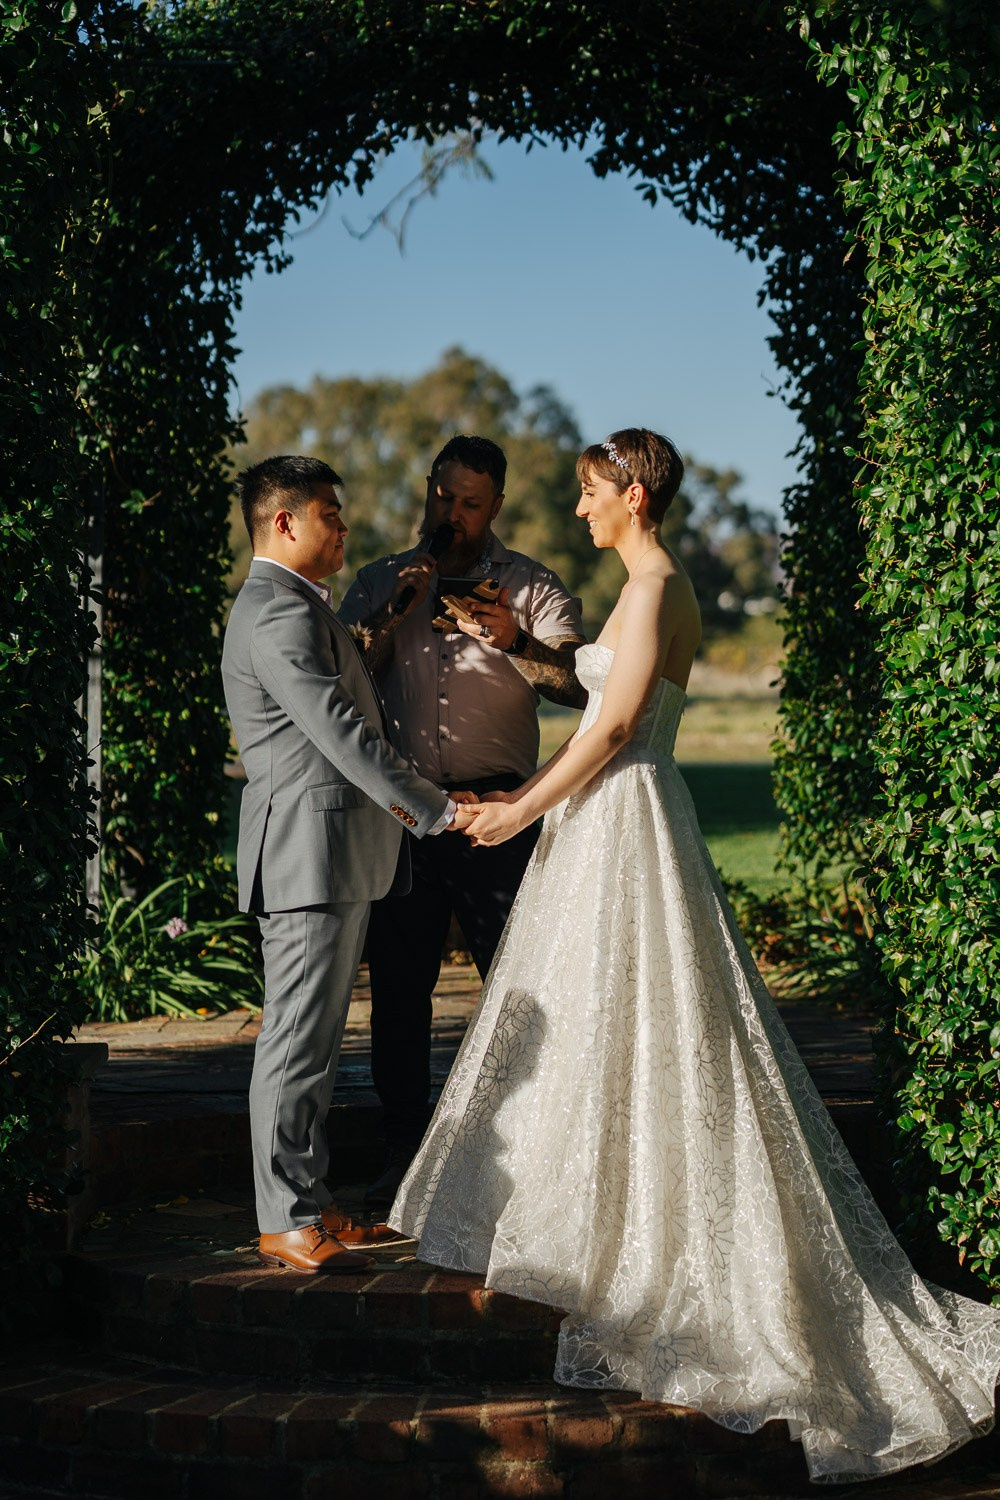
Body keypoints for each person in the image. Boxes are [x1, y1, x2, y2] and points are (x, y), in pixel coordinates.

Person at [390, 429, 1000, 1484]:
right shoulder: (645, 587)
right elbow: (598, 701)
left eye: (588, 495)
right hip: (620, 819)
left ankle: (658, 1244)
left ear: (632, 492)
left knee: (644, 1015)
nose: (579, 512)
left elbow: (617, 725)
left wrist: (519, 809)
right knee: (610, 1015)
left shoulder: (655, 584)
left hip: (620, 814)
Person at [222, 455, 477, 1274]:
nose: (344, 527)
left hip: (331, 855)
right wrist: (437, 811)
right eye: (330, 514)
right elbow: (343, 737)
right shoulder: (277, 613)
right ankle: (284, 1218)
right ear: (285, 522)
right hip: (306, 854)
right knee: (296, 1043)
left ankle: (311, 1199)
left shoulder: (298, 604)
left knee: (318, 1043)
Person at [338, 434, 586, 1206]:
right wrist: (394, 611)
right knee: (401, 989)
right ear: (427, 490)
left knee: (518, 988)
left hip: (502, 815)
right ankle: (403, 1150)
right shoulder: (381, 578)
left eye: (469, 504)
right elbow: (338, 679)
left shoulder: (534, 586)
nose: (452, 514)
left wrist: (514, 640)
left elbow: (578, 688)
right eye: (442, 497)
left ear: (496, 508)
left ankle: (531, 1158)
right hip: (405, 813)